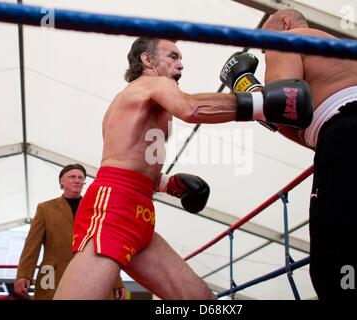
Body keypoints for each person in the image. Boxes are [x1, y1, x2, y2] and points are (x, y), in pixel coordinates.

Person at [54, 37, 314, 300]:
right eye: (173, 56)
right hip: (113, 207)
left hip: (140, 211)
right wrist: (260, 103)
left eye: (181, 58)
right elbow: (192, 108)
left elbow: (136, 163)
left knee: (201, 300)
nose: (181, 65)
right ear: (147, 60)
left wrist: (169, 184)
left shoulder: (148, 102)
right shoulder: (151, 85)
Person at [219, 9, 357, 299]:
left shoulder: (287, 41)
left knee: (339, 257)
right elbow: (308, 126)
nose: (265, 50)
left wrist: (245, 86)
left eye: (264, 40)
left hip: (351, 139)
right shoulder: (343, 52)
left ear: (285, 23)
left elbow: (283, 104)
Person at [14, 164, 126, 300]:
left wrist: (116, 281)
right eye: (72, 177)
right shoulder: (45, 208)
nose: (77, 180)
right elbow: (31, 246)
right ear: (62, 181)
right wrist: (23, 275)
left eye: (81, 177)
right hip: (53, 275)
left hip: (93, 273)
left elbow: (106, 247)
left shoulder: (97, 209)